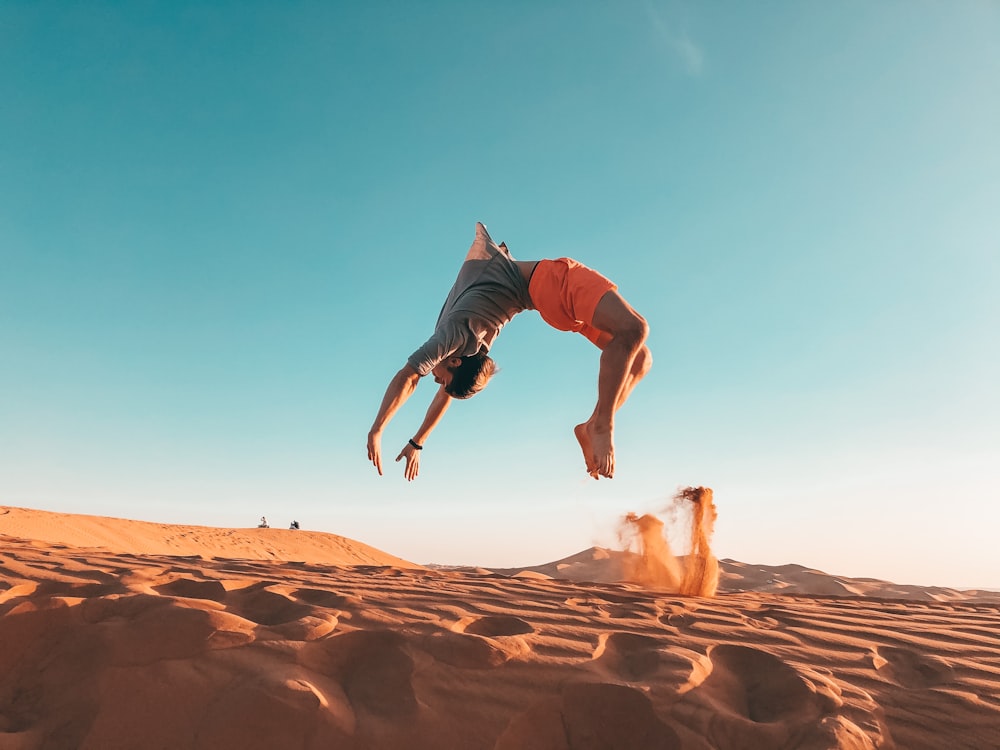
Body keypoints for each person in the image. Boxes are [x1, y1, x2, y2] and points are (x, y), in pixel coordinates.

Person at [367, 222, 651, 481]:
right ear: (456, 360)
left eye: (440, 379)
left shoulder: (454, 338)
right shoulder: (462, 340)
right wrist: (407, 438)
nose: (436, 380)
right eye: (442, 379)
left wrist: (386, 430)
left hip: (548, 302)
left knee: (639, 358)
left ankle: (593, 425)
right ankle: (601, 426)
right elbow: (440, 390)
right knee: (634, 329)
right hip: (550, 285)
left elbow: (410, 377)